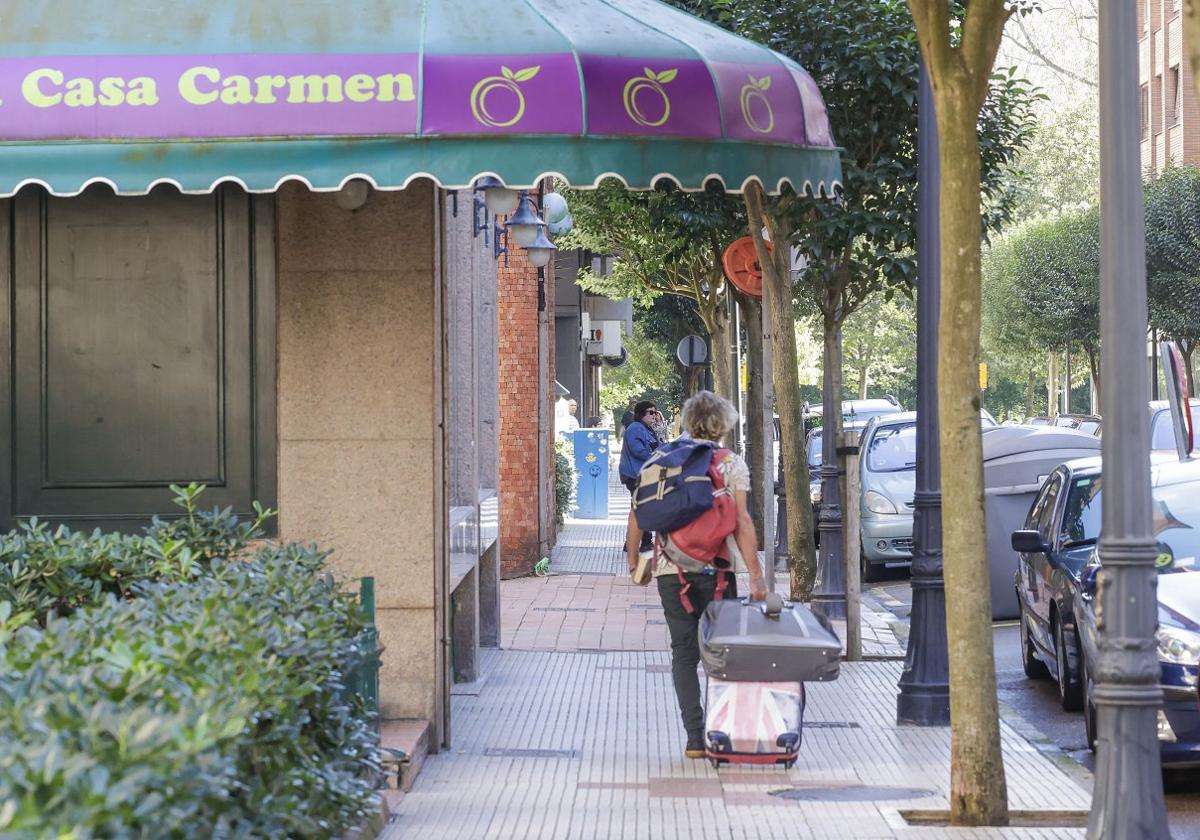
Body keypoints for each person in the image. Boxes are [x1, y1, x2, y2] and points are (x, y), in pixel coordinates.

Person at [626, 391, 767, 759]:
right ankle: (722, 731)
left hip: (671, 570)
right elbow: (742, 522)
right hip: (718, 570)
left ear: (688, 422)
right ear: (723, 425)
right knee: (722, 653)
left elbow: (636, 515)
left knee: (683, 653)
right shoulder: (729, 464)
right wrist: (756, 576)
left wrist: (633, 564)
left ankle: (694, 737)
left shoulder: (660, 460)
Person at [619, 400, 660, 551]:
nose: (654, 416)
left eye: (655, 412)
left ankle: (633, 542)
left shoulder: (646, 429)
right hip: (635, 474)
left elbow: (656, 446)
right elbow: (639, 450)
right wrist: (656, 456)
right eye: (651, 412)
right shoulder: (636, 428)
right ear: (641, 413)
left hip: (639, 474)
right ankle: (645, 542)